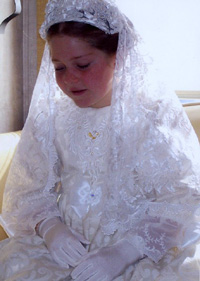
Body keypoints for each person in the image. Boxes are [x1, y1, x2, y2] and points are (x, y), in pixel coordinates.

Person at [0, 0, 200, 280]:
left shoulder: (153, 115)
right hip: (65, 248)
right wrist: (50, 228)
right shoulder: (52, 115)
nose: (70, 80)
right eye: (59, 68)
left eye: (82, 65)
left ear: (118, 57)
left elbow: (184, 197)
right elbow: (27, 189)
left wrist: (125, 251)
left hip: (140, 252)